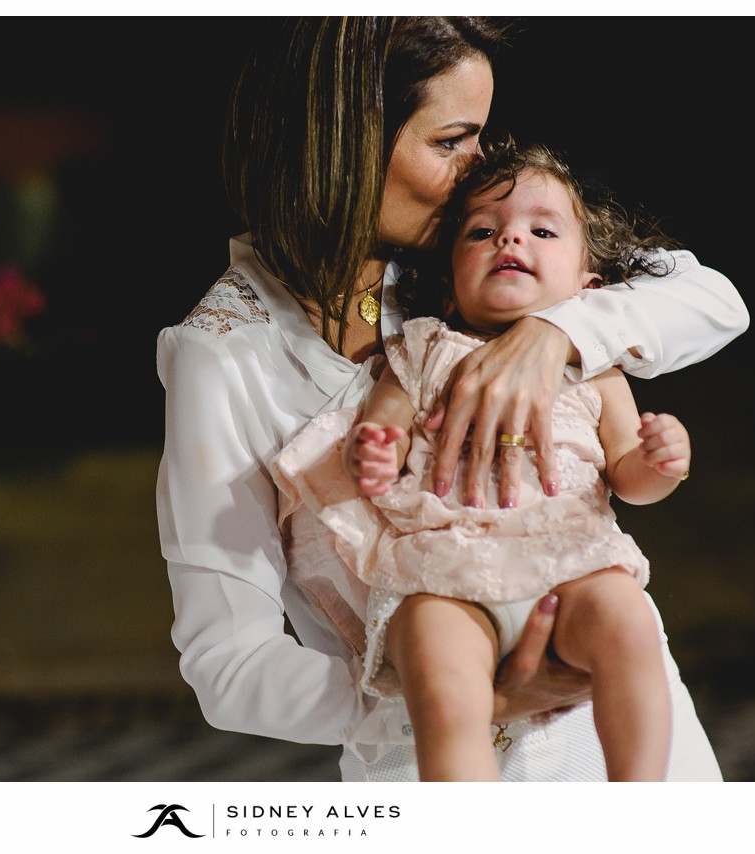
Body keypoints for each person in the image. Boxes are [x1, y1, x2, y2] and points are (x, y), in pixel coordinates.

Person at [155, 17, 748, 782]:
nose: (478, 171)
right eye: (450, 142)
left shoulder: (480, 252)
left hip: (624, 745)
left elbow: (714, 299)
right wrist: (450, 694)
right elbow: (227, 668)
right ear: (345, 143)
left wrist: (558, 335)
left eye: (481, 138)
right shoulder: (226, 355)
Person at [273, 138, 693, 781]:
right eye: (482, 232)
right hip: (445, 568)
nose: (510, 241)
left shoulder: (594, 370)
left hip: (571, 563)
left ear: (590, 289)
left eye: (541, 229)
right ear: (447, 287)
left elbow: (629, 478)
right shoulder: (421, 350)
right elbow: (382, 429)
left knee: (629, 626)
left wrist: (663, 462)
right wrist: (378, 452)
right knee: (445, 690)